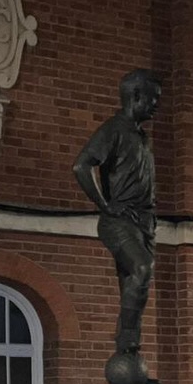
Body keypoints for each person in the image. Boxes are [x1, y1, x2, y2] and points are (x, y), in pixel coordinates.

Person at [72, 68, 161, 357]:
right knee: (142, 268)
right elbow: (81, 165)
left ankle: (129, 350)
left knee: (133, 285)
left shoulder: (141, 135)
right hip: (119, 221)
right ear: (136, 96)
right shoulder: (114, 128)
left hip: (144, 221)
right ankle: (127, 339)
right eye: (153, 98)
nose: (156, 104)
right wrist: (105, 205)